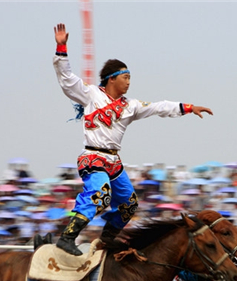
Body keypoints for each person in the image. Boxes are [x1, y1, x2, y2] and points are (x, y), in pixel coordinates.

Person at [52, 23, 213, 255]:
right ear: (111, 79)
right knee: (101, 195)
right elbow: (66, 78)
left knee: (129, 205)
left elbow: (159, 107)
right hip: (93, 157)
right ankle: (67, 237)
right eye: (125, 77)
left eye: (130, 78)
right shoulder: (90, 94)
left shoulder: (131, 106)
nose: (129, 82)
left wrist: (187, 108)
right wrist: (61, 47)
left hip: (114, 162)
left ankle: (106, 240)